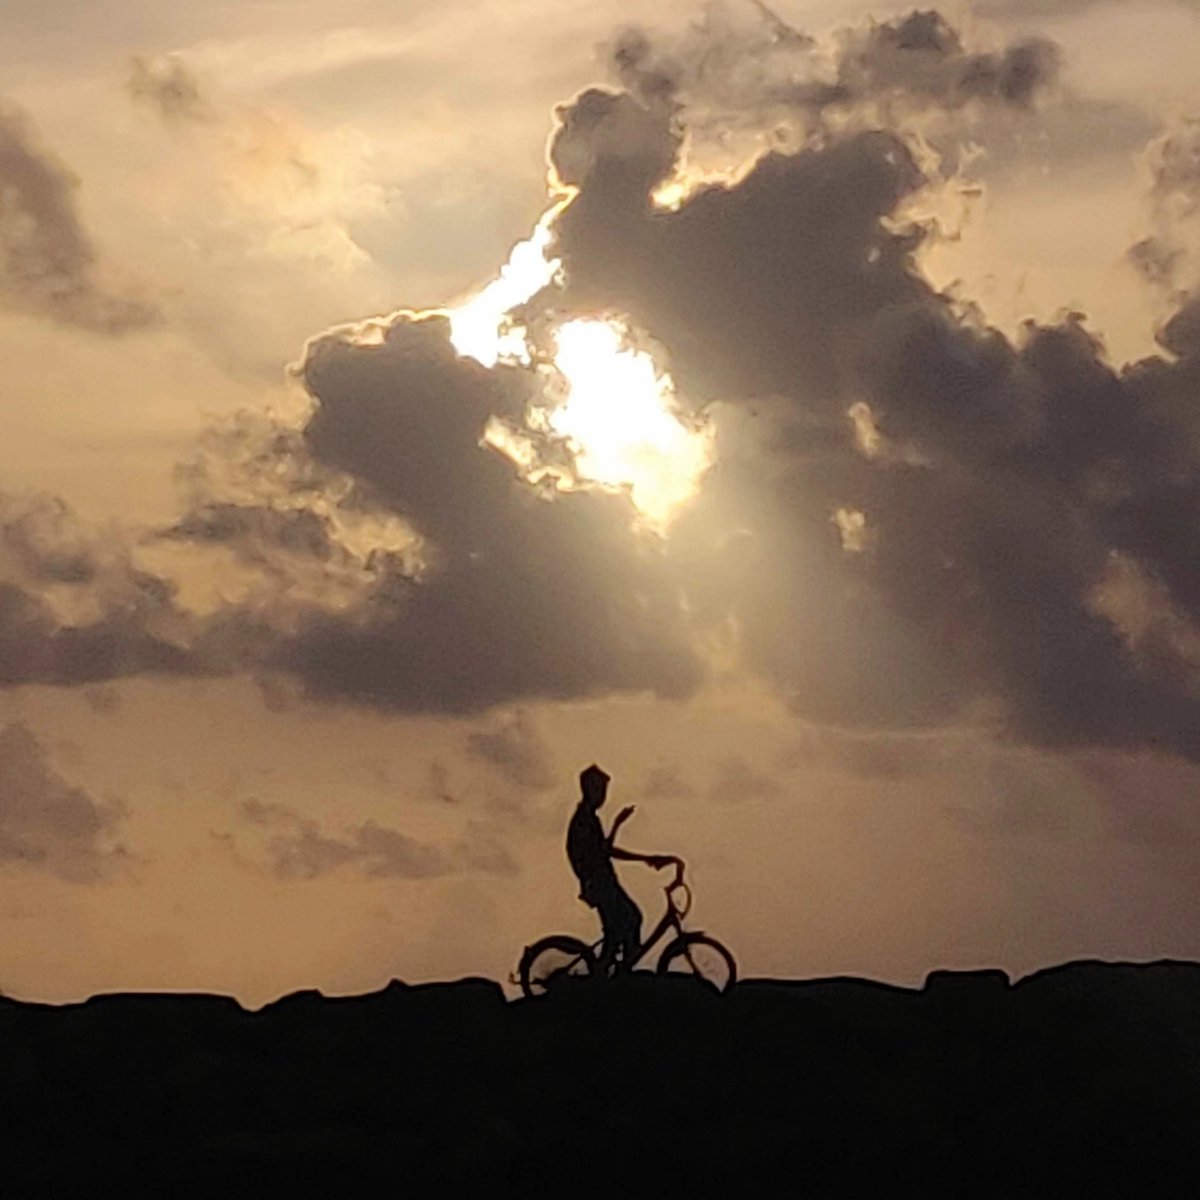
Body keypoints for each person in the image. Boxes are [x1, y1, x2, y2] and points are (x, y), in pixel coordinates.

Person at [566, 763, 672, 974]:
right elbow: (605, 851)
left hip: (602, 881)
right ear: (588, 789)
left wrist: (618, 826)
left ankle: (615, 969)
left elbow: (603, 849)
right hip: (599, 883)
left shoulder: (589, 818)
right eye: (599, 790)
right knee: (631, 919)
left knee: (618, 929)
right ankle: (618, 972)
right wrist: (644, 857)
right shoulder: (584, 820)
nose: (603, 796)